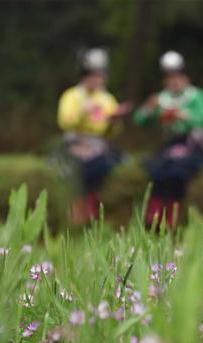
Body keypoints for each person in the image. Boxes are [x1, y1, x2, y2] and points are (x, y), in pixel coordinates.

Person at [133, 51, 203, 230]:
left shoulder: (196, 96)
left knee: (178, 172)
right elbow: (139, 120)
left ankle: (171, 218)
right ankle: (153, 216)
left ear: (186, 78)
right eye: (170, 78)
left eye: (178, 77)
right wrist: (148, 108)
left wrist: (184, 115)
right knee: (156, 169)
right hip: (170, 145)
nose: (174, 82)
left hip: (194, 145)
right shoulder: (162, 98)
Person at [57, 47, 131, 224]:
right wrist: (82, 113)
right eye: (95, 76)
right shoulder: (72, 96)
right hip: (75, 142)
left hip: (100, 144)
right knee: (75, 168)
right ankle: (77, 210)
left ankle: (90, 205)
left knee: (101, 164)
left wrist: (114, 121)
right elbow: (65, 122)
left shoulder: (106, 98)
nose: (99, 80)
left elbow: (112, 131)